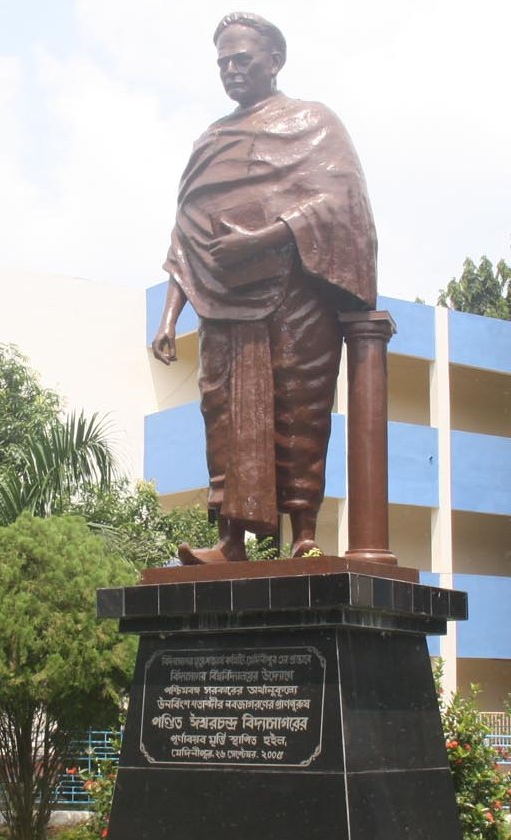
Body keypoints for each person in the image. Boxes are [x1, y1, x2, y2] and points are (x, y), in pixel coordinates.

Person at [151, 11, 378, 564]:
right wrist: (167, 319)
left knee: (296, 412)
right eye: (223, 62)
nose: (231, 70)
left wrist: (262, 240)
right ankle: (230, 542)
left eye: (242, 59)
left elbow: (339, 205)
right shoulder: (212, 141)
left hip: (295, 300)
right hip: (223, 309)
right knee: (224, 417)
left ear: (274, 61)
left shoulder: (314, 123)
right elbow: (187, 236)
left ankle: (304, 534)